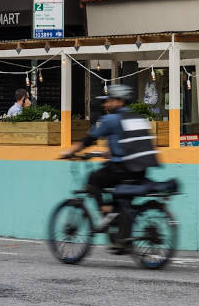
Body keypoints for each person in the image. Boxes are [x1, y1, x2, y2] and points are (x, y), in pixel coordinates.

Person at [61, 84, 159, 253]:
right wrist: (110, 151)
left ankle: (106, 213)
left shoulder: (111, 119)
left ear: (119, 101)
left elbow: (89, 139)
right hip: (141, 169)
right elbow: (127, 141)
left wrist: (70, 152)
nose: (106, 104)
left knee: (93, 179)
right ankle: (120, 234)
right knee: (119, 195)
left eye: (109, 101)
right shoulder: (137, 118)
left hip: (123, 168)